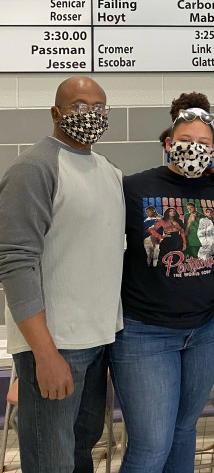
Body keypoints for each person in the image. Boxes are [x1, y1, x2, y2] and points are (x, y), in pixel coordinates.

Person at [0, 75, 125, 473]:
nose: (91, 116)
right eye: (80, 107)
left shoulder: (107, 170)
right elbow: (16, 262)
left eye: (99, 109)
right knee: (50, 462)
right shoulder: (34, 168)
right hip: (56, 346)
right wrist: (44, 353)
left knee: (80, 452)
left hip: (98, 341)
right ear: (56, 113)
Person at [109, 92, 214, 473]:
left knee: (184, 431)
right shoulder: (132, 188)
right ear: (168, 144)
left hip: (206, 330)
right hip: (145, 333)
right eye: (186, 141)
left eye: (203, 144)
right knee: (150, 445)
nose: (194, 149)